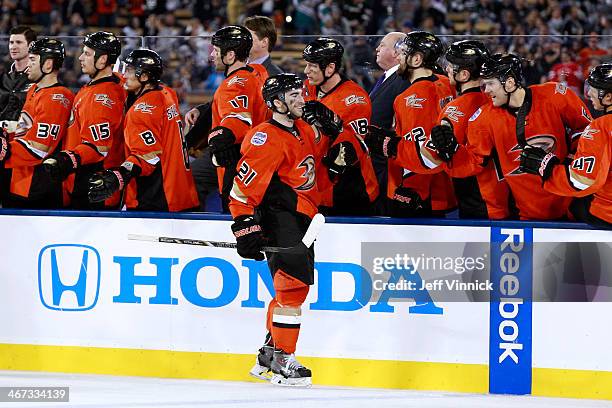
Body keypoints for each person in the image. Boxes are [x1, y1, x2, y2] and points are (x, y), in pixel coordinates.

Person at [229, 73, 329, 386]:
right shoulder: (265, 137)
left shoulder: (300, 128)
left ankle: (270, 352)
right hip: (280, 217)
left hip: (302, 217)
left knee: (289, 289)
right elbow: (241, 190)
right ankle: (284, 357)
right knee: (292, 289)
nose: (302, 99)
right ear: (276, 103)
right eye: (294, 96)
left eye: (301, 93)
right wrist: (245, 226)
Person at [431, 54, 592, 220]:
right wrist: (451, 150)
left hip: (571, 200)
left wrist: (569, 161)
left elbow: (587, 131)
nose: (486, 90)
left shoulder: (554, 95)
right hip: (527, 213)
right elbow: (474, 161)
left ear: (509, 82)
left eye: (491, 84)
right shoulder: (483, 118)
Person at [87, 49, 200, 212]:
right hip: (182, 190)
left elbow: (147, 157)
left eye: (131, 71)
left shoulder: (141, 110)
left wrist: (118, 175)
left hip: (157, 197)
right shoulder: (168, 93)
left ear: (145, 76)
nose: (125, 75)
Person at [365, 31, 456, 218]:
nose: (399, 56)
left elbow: (423, 155)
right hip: (441, 188)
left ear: (416, 59)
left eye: (403, 52)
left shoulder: (410, 98)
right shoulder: (445, 83)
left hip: (416, 193)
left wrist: (388, 145)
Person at [186, 25, 268, 212]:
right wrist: (204, 108)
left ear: (230, 55)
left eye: (216, 51)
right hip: (257, 158)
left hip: (236, 159)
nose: (212, 56)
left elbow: (237, 121)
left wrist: (219, 139)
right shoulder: (257, 72)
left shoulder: (232, 84)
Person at [428, 40, 512, 219]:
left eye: (451, 66)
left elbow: (443, 157)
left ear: (464, 74)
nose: (447, 69)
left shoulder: (454, 109)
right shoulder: (497, 100)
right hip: (509, 194)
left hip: (478, 198)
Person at [41, 31, 127, 209]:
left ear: (102, 60)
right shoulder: (110, 84)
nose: (80, 58)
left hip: (93, 185)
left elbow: (99, 147)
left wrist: (66, 159)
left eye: (87, 53)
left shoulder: (101, 96)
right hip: (90, 180)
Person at [519, 64, 612, 228]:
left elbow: (581, 181)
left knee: (572, 206)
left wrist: (546, 167)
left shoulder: (601, 127)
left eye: (595, 89)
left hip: (607, 214)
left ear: (609, 97)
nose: (589, 93)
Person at [302, 37, 379, 215]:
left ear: (330, 68)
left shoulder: (355, 99)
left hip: (349, 189)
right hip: (317, 184)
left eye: (312, 66)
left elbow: (355, 149)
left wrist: (335, 127)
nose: (306, 71)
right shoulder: (308, 88)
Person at [0, 38, 74, 209]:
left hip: (37, 185)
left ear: (48, 64)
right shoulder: (35, 89)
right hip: (19, 177)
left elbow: (39, 148)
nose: (28, 65)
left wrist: (5, 150)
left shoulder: (58, 97)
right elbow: (25, 131)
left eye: (33, 59)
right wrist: (6, 135)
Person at [369, 31, 410, 214]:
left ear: (396, 52)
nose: (377, 48)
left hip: (388, 166)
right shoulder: (388, 77)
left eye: (383, 45)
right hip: (377, 162)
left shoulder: (402, 80)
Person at [0, 26, 37, 125]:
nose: (13, 47)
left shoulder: (39, 79)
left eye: (19, 42)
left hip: (25, 136)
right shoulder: (3, 77)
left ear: (31, 45)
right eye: (11, 42)